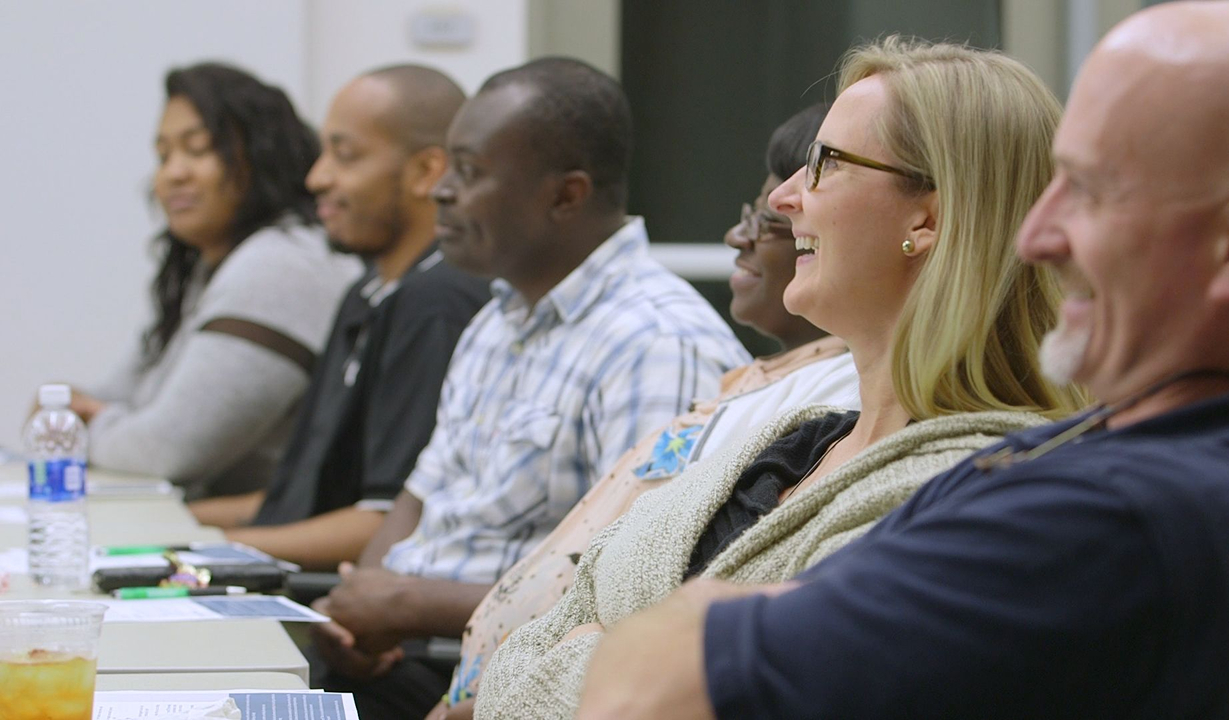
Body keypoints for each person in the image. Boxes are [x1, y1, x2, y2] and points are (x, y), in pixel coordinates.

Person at [574, 2, 1229, 719]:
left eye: (1093, 190)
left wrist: (636, 631)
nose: (1036, 234)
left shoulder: (1101, 516)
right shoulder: (1069, 465)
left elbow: (653, 693)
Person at [477, 37, 1086, 719]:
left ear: (929, 219)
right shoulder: (791, 441)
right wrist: (617, 660)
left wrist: (593, 650)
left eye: (824, 164)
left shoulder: (980, 492)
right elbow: (523, 654)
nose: (786, 199)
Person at [307, 57, 750, 720]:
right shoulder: (497, 318)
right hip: (407, 657)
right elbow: (422, 492)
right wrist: (361, 605)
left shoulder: (655, 342)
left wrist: (409, 606)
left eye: (470, 171)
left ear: (566, 195)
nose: (441, 193)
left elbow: (635, 595)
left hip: (508, 680)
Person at [432, 103, 862, 718]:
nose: (737, 236)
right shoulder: (766, 390)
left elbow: (659, 620)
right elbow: (599, 581)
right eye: (759, 213)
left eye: (769, 221)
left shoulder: (684, 349)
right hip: (496, 678)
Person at [186, 65, 490, 569]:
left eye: (345, 156)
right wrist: (177, 522)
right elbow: (301, 500)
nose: (316, 177)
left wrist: (197, 550)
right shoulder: (366, 292)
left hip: (335, 602)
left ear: (426, 172)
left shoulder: (435, 304)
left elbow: (384, 523)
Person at [69, 63, 361, 498]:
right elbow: (119, 395)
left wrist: (67, 432)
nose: (173, 173)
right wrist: (76, 411)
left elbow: (168, 450)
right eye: (164, 156)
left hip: (262, 551)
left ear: (262, 153)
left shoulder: (283, 266)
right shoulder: (211, 264)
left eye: (198, 149)